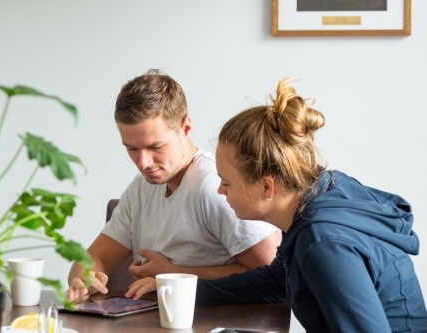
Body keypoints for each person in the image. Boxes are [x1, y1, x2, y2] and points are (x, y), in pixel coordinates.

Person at [126, 78, 427, 332]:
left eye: (227, 182)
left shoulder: (323, 243)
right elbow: (276, 281)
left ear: (267, 186)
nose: (220, 189)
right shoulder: (321, 196)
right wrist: (183, 291)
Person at [67, 69, 281, 303]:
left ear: (185, 128)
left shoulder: (214, 187)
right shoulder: (141, 187)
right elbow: (92, 258)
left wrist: (173, 275)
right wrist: (84, 278)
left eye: (155, 146)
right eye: (132, 148)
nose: (143, 163)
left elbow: (274, 275)